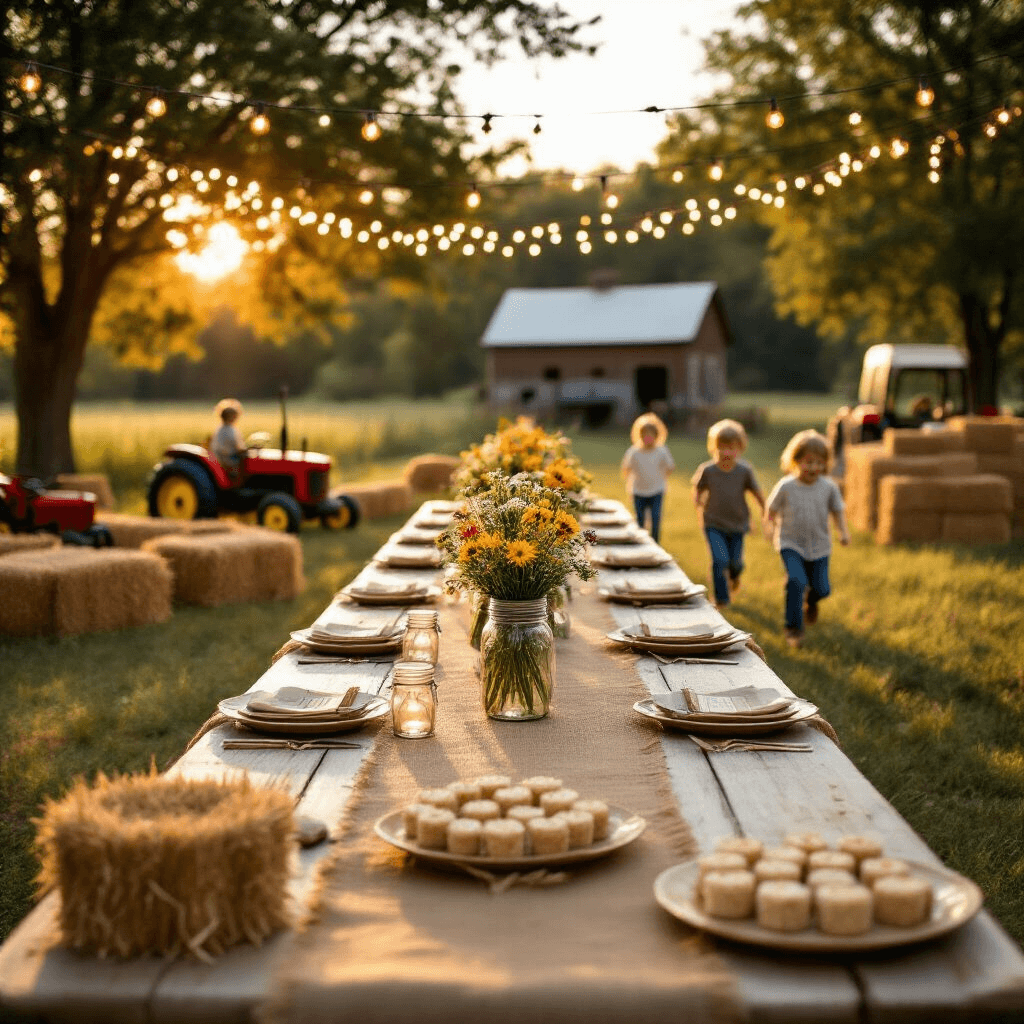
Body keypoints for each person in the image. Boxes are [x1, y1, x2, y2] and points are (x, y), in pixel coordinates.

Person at [764, 429, 850, 648]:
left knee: (823, 589)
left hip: (820, 546)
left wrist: (843, 532)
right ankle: (793, 628)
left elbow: (838, 510)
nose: (814, 468)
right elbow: (771, 509)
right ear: (795, 461)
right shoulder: (786, 486)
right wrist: (769, 525)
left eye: (819, 463)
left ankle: (811, 601)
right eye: (808, 462)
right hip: (790, 543)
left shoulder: (828, 487)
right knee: (796, 581)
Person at [691, 419, 766, 607]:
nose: (726, 453)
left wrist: (764, 508)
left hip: (738, 523)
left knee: (736, 564)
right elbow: (697, 487)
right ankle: (721, 599)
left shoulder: (744, 470)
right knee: (719, 560)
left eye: (731, 448)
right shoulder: (707, 470)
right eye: (721, 448)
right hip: (713, 522)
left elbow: (756, 492)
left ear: (740, 448)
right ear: (713, 447)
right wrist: (697, 499)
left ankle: (734, 577)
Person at [621, 412, 674, 543]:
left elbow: (670, 467)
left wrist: (661, 478)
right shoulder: (634, 452)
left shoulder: (661, 451)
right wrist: (630, 482)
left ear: (657, 435)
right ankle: (641, 543)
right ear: (639, 435)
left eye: (651, 434)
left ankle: (655, 544)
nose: (648, 437)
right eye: (645, 434)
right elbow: (626, 468)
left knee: (656, 519)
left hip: (656, 491)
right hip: (638, 491)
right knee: (640, 520)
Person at [211, 398, 246, 476]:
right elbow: (238, 446)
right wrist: (244, 450)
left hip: (221, 456)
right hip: (228, 458)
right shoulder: (230, 430)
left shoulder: (220, 428)